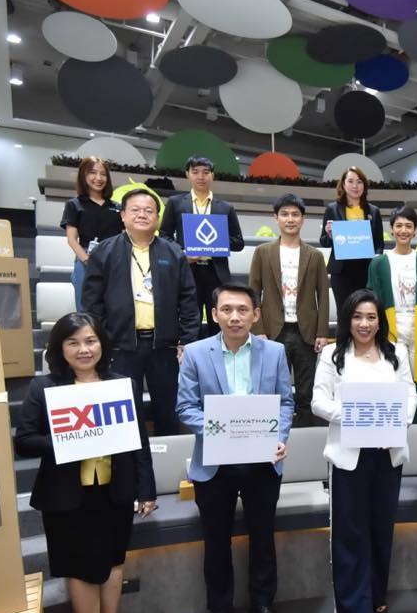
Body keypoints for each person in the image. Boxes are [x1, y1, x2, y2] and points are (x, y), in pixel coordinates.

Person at [14, 313, 156, 613]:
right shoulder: (44, 388)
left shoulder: (121, 384)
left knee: (113, 562)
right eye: (73, 342)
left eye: (90, 341)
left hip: (115, 491)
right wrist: (69, 439)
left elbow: (139, 442)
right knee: (78, 568)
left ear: (102, 344)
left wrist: (146, 489)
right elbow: (24, 441)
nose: (83, 349)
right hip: (65, 496)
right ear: (59, 348)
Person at [177, 284, 295, 613]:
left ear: (256, 315)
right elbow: (185, 408)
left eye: (243, 310)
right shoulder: (196, 353)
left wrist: (280, 437)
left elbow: (286, 402)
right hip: (215, 463)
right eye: (226, 309)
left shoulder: (274, 352)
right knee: (216, 540)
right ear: (214, 314)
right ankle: (220, 610)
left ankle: (263, 604)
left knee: (263, 537)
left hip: (262, 461)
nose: (234, 317)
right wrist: (221, 428)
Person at [312, 289, 417, 613]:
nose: (364, 323)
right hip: (349, 456)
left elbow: (410, 395)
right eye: (357, 316)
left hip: (388, 453)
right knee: (350, 531)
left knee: (380, 528)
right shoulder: (332, 355)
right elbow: (318, 402)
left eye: (371, 317)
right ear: (347, 320)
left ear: (380, 321)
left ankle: (375, 593)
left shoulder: (396, 353)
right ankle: (354, 605)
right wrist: (360, 417)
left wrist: (397, 421)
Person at [83, 188, 199, 435]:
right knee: (124, 411)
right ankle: (129, 459)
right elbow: (92, 302)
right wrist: (104, 338)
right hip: (120, 346)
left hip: (165, 346)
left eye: (149, 211)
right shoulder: (104, 251)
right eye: (135, 210)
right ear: (123, 215)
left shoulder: (173, 252)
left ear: (157, 218)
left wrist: (186, 340)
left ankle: (168, 453)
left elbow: (188, 299)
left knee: (167, 409)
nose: (142, 215)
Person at [249, 193, 329, 427]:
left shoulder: (315, 255)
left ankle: (304, 435)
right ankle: (273, 437)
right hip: (273, 331)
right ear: (276, 218)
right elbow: (253, 293)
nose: (290, 219)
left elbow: (323, 296)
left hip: (307, 333)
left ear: (303, 219)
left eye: (295, 214)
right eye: (284, 214)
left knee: (306, 392)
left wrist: (322, 332)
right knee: (273, 390)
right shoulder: (263, 252)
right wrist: (258, 329)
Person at [366, 206, 417, 423]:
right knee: (393, 377)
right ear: (391, 229)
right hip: (390, 328)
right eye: (399, 226)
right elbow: (372, 303)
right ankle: (392, 426)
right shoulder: (379, 263)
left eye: (408, 226)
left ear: (415, 231)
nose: (403, 230)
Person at [159, 155, 246, 337]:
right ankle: (189, 352)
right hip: (188, 270)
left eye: (206, 172)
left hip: (216, 272)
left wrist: (216, 244)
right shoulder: (176, 203)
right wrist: (182, 253)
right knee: (190, 318)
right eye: (195, 172)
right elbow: (164, 236)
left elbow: (238, 242)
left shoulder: (225, 207)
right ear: (187, 174)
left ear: (212, 175)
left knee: (219, 320)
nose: (201, 176)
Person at [320, 166, 385, 314]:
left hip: (365, 271)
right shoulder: (332, 209)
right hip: (341, 271)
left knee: (363, 312)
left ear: (364, 185)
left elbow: (379, 244)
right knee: (344, 313)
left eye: (359, 181)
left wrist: (376, 258)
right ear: (343, 184)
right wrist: (329, 235)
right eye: (350, 181)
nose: (355, 186)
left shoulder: (373, 211)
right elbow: (324, 241)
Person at [62, 157, 123, 311]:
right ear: (83, 175)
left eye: (103, 174)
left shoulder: (117, 207)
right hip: (85, 261)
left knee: (113, 308)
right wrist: (87, 260)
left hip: (113, 262)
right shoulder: (74, 204)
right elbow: (71, 239)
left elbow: (124, 236)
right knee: (85, 310)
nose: (98, 178)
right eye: (93, 173)